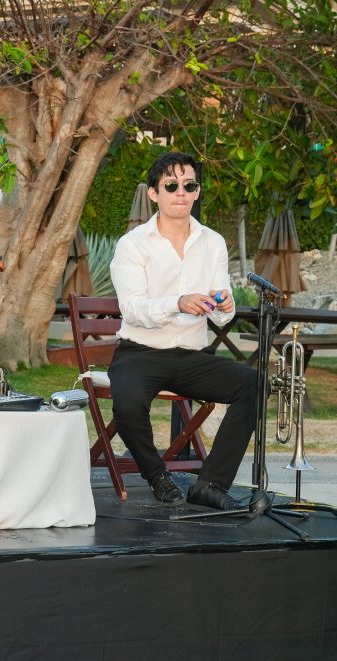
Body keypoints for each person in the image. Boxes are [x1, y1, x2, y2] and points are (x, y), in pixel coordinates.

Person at [108, 151, 256, 510]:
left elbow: (222, 314)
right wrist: (177, 302)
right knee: (126, 403)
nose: (181, 192)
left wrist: (224, 304)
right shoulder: (132, 244)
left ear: (197, 191)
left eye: (189, 185)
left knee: (253, 383)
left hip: (191, 355)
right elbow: (131, 308)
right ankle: (156, 474)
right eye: (171, 185)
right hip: (140, 352)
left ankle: (210, 483)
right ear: (154, 194)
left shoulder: (213, 242)